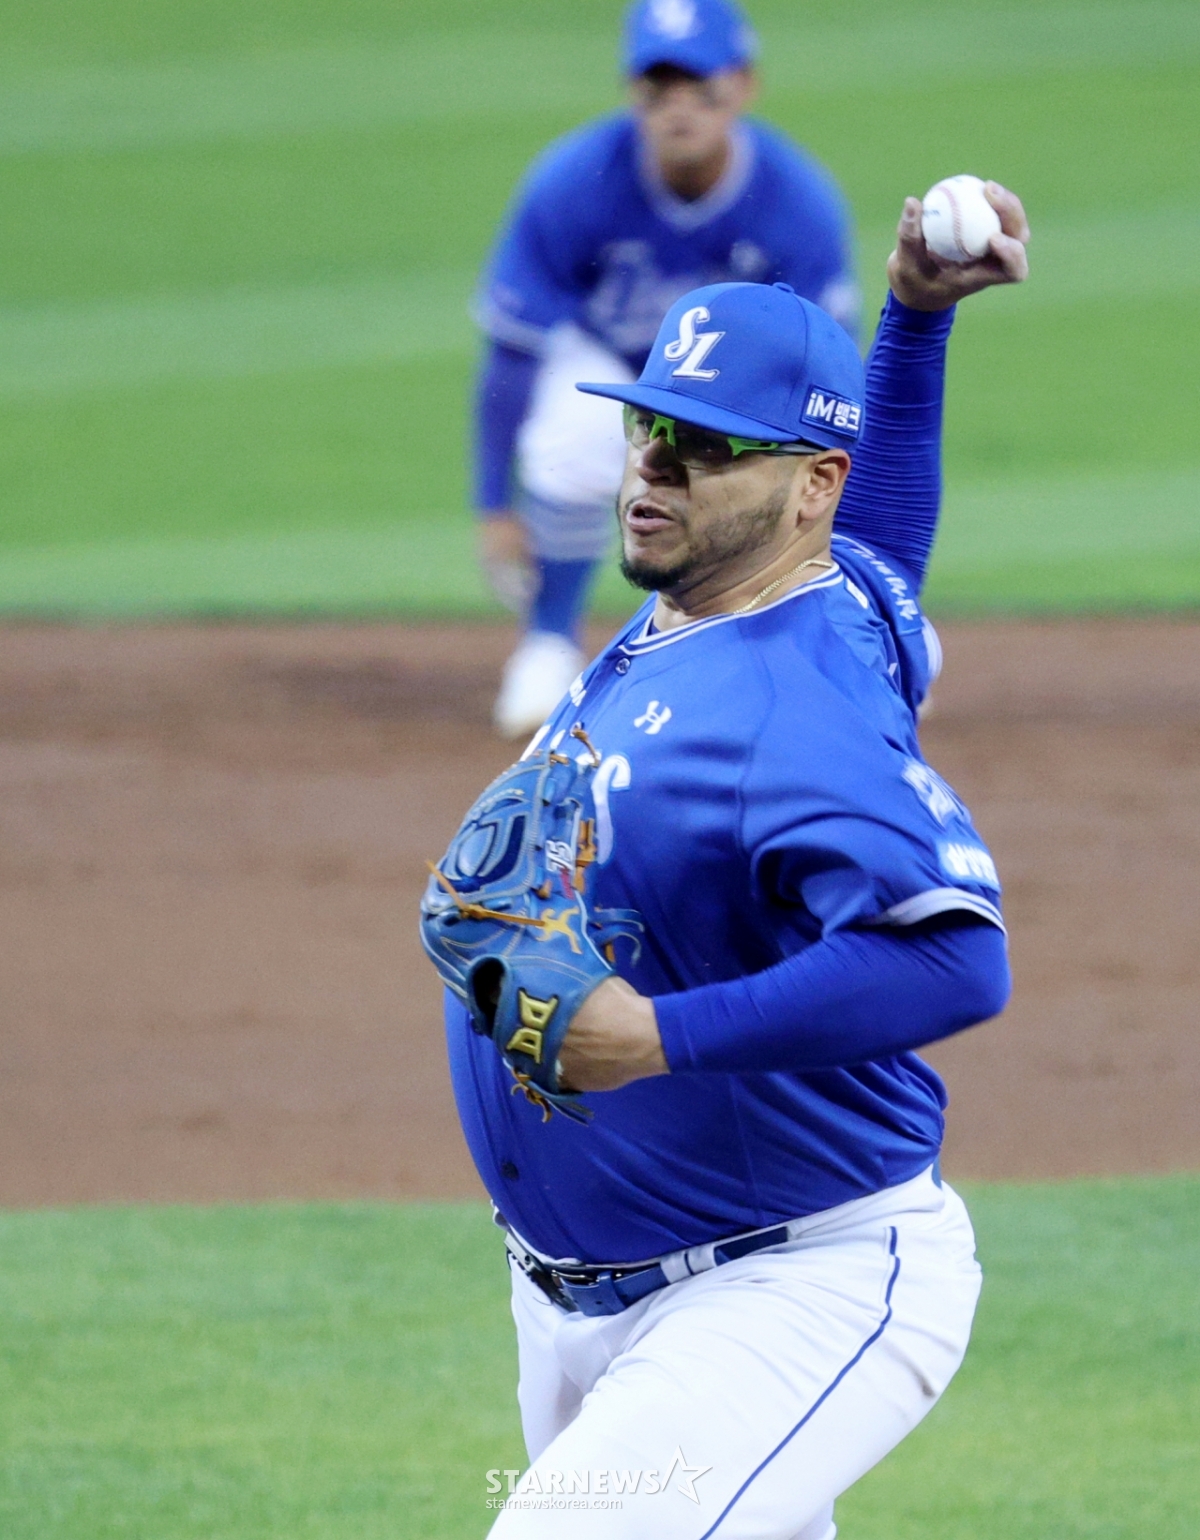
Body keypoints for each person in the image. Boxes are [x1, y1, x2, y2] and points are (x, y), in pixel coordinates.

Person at [449, 186, 1030, 1538]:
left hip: (790, 1286)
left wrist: (655, 1037)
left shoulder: (796, 711)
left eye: (706, 448)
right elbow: (884, 536)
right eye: (647, 426)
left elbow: (957, 959)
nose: (653, 468)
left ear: (806, 485)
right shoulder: (773, 593)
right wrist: (916, 320)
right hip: (588, 1298)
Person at [475, 0, 857, 737]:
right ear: (633, 92)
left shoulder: (795, 200)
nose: (680, 109)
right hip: (611, 363)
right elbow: (514, 349)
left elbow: (832, 367)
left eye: (701, 87)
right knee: (572, 444)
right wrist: (494, 504)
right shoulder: (574, 181)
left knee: (766, 478)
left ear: (743, 86)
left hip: (738, 393)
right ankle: (548, 640)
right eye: (659, 89)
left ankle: (808, 639)